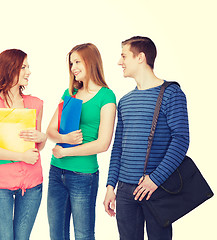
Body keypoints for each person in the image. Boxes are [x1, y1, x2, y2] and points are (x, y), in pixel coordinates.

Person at [103, 36, 189, 240]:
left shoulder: (172, 94)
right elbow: (118, 147)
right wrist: (110, 185)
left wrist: (155, 179)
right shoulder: (124, 101)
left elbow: (181, 140)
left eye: (124, 56)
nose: (119, 62)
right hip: (124, 191)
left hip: (156, 189)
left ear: (140, 57)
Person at [45, 43, 116, 239]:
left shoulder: (106, 96)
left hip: (83, 176)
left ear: (90, 62)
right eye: (71, 63)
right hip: (56, 171)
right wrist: (63, 139)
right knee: (56, 234)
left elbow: (103, 143)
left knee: (83, 235)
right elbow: (50, 130)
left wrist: (66, 151)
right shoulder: (69, 93)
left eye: (77, 62)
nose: (73, 67)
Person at [0, 49, 47, 240]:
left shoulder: (35, 104)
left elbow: (37, 146)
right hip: (0, 185)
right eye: (23, 67)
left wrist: (42, 138)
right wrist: (21, 157)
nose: (29, 71)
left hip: (32, 183)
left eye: (28, 67)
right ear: (10, 69)